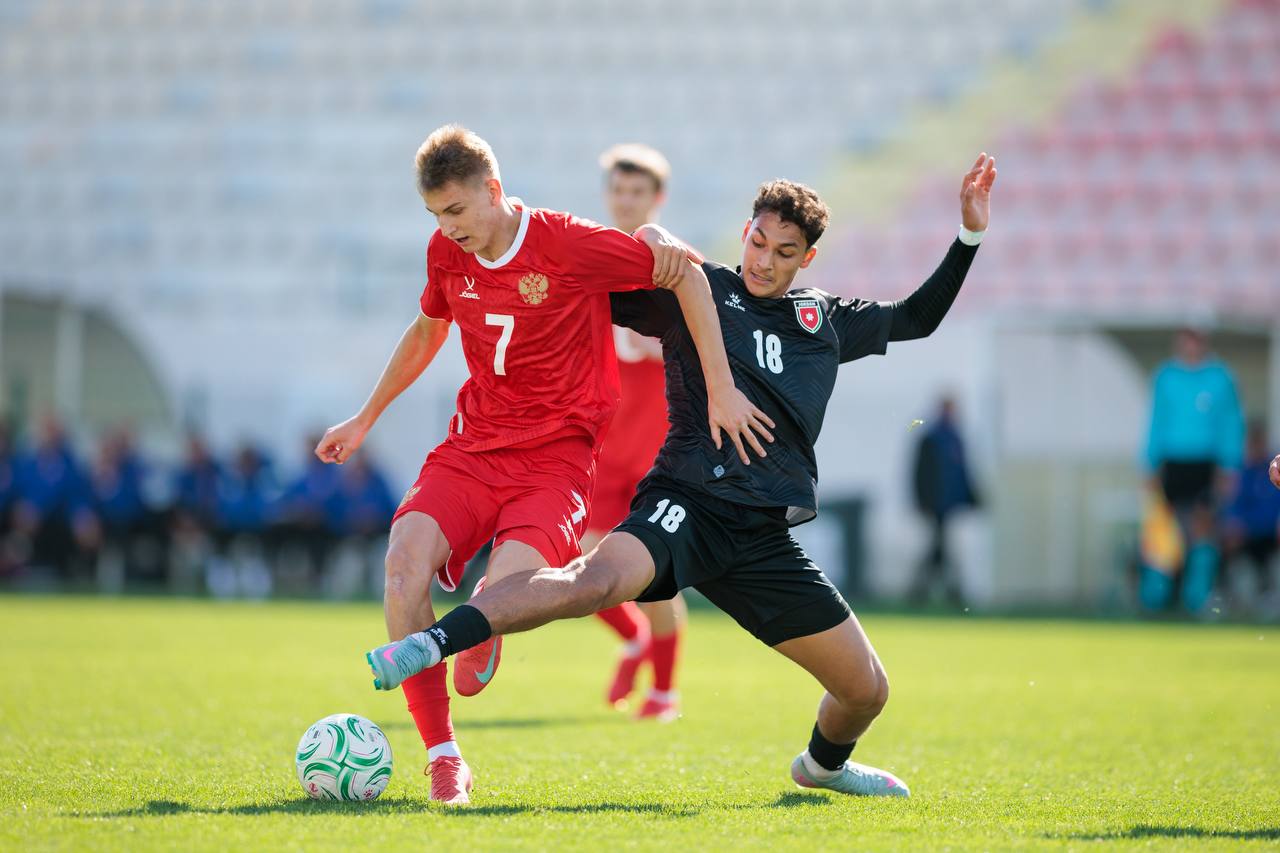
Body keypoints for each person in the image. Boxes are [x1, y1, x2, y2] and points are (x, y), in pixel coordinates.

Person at [367, 153, 998, 800]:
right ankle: (434, 642)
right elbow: (581, 277)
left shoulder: (825, 320)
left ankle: (822, 766)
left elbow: (916, 318)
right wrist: (649, 236)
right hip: (687, 505)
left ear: (807, 258)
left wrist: (969, 234)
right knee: (595, 581)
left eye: (784, 252)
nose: (763, 260)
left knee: (866, 690)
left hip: (762, 535)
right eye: (758, 241)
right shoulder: (701, 291)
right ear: (745, 231)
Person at [317, 125, 767, 804]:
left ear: (493, 190)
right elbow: (429, 328)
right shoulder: (446, 251)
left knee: (509, 592)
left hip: (556, 460)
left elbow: (690, 276)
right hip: (473, 445)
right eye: (436, 215)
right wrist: (365, 416)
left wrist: (722, 387)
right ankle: (443, 757)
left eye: (457, 210)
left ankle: (497, 620)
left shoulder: (567, 243)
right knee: (403, 564)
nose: (448, 228)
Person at [589, 143, 687, 720]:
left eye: (638, 192)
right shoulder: (589, 257)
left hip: (658, 451)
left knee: (656, 580)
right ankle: (634, 640)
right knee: (580, 570)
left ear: (658, 198)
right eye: (619, 190)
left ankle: (664, 694)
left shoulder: (677, 264)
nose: (626, 201)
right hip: (601, 448)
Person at [1143, 327, 1244, 614]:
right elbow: (1156, 421)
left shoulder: (1220, 377)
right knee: (1164, 528)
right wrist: (1149, 463)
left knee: (1203, 527)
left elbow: (1231, 422)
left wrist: (1230, 465)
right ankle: (1155, 598)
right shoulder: (1166, 376)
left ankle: (1197, 599)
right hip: (1172, 461)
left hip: (1206, 462)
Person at [908, 396, 979, 606]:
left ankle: (925, 591)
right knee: (940, 548)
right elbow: (920, 472)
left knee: (940, 548)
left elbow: (962, 472)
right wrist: (922, 500)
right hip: (935, 503)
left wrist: (971, 497)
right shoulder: (931, 438)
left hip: (949, 504)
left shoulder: (955, 438)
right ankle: (946, 592)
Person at [1220, 421, 1280, 611]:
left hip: (1272, 539)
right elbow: (1234, 509)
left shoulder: (1274, 472)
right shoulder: (1243, 474)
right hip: (1248, 538)